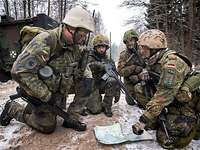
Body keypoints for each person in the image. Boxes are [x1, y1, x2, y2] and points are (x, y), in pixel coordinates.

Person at [0, 6, 95, 134]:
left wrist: (85, 75)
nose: (83, 39)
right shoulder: (46, 41)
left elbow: (82, 70)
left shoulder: (75, 46)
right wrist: (46, 95)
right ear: (71, 29)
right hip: (39, 92)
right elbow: (19, 71)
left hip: (57, 90)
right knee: (47, 126)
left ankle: (71, 118)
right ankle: (12, 108)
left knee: (87, 81)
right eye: (82, 35)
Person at [131, 29, 197, 149]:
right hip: (171, 97)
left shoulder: (171, 65)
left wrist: (143, 121)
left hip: (186, 102)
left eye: (143, 48)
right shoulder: (154, 58)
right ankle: (159, 117)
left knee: (168, 140)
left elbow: (162, 96)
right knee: (140, 88)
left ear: (154, 48)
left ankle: (194, 124)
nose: (141, 51)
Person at [82, 34, 120, 117]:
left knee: (112, 80)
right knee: (96, 110)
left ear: (106, 48)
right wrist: (100, 65)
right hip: (91, 86)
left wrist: (117, 90)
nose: (102, 49)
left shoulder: (109, 59)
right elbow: (87, 66)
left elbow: (115, 75)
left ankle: (107, 106)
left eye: (103, 47)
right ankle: (86, 103)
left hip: (101, 83)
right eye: (99, 47)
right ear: (95, 48)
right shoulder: (89, 56)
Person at [118, 29, 147, 107]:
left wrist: (139, 73)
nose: (129, 43)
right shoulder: (123, 55)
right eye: (127, 41)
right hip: (129, 80)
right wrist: (132, 68)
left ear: (135, 40)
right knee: (130, 102)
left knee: (143, 102)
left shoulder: (143, 51)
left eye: (131, 40)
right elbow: (120, 71)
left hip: (142, 79)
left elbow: (149, 67)